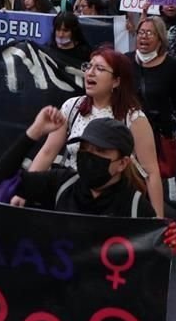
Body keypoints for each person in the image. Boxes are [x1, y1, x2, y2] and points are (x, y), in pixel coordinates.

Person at [25, 47, 165, 217]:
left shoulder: (134, 118)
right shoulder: (71, 107)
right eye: (88, 67)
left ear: (116, 81)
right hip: (74, 199)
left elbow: (151, 172)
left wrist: (158, 223)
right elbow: (48, 152)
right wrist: (26, 189)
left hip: (113, 205)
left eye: (99, 69)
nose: (90, 73)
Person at [0, 111, 167, 223]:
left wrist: (165, 242)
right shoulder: (62, 183)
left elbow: (152, 262)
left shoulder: (137, 208)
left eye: (100, 150)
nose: (90, 155)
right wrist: (34, 132)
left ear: (122, 163)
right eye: (85, 148)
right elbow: (0, 178)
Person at [128, 17, 176, 178]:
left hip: (159, 134)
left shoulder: (172, 66)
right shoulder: (126, 61)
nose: (143, 37)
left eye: (149, 33)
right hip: (128, 132)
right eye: (141, 32)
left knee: (153, 177)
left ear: (160, 39)